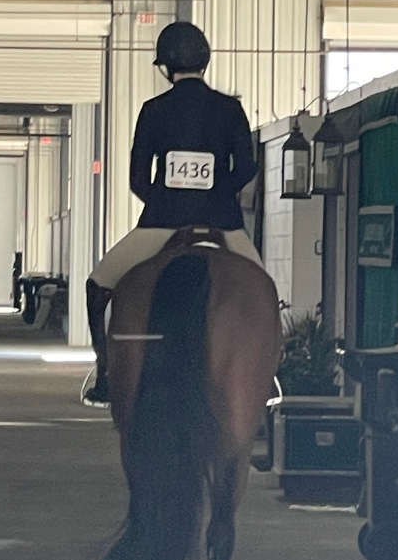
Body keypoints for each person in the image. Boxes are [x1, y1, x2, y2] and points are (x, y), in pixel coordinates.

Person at [81, 21, 263, 406]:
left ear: (165, 67)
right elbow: (247, 168)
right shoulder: (230, 109)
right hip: (222, 223)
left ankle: (106, 372)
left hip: (161, 223)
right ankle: (267, 377)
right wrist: (218, 195)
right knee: (263, 290)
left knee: (97, 285)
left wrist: (163, 199)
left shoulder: (153, 110)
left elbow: (136, 177)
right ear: (205, 61)